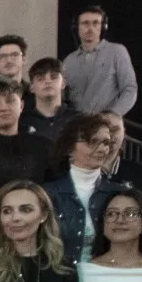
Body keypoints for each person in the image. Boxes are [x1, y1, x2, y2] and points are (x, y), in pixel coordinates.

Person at [41, 113, 126, 263]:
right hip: (60, 274)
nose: (102, 149)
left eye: (106, 142)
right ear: (70, 148)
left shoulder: (118, 194)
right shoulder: (47, 194)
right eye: (93, 142)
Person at [60, 6, 137, 117]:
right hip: (77, 124)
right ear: (77, 27)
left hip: (107, 124)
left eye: (95, 23)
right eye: (85, 23)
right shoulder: (69, 61)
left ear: (103, 27)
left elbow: (129, 88)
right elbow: (63, 97)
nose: (90, 28)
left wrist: (114, 114)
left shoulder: (116, 51)